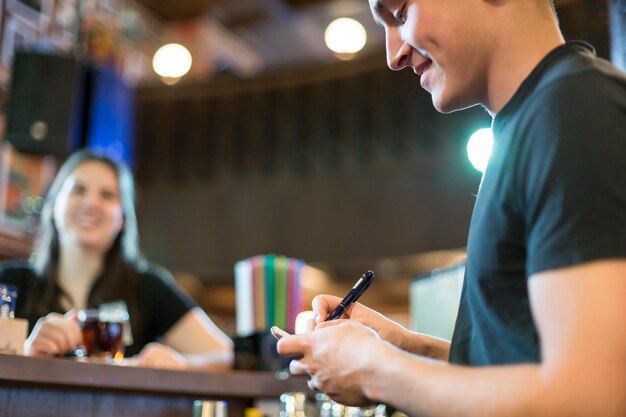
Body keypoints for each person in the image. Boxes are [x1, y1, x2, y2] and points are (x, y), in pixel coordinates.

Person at [277, 0, 626, 415]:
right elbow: (516, 365)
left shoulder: (574, 108)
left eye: (401, 13)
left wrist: (375, 368)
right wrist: (407, 348)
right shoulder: (532, 124)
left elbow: (592, 398)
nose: (393, 55)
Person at [0, 150, 233, 370]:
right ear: (52, 207)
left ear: (123, 218)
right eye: (78, 190)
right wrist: (27, 354)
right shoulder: (11, 282)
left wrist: (180, 364)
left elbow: (227, 356)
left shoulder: (149, 287)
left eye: (107, 195)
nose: (91, 204)